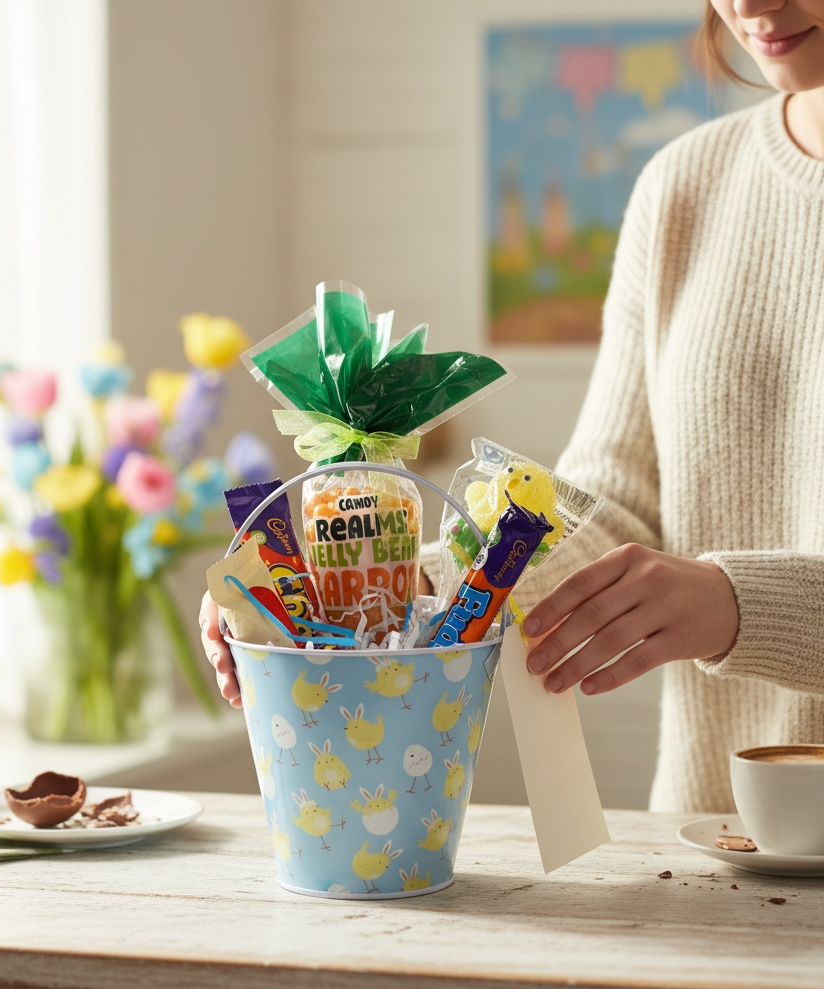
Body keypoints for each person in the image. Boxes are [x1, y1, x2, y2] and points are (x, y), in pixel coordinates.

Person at [200, 0, 824, 815]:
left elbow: (709, 590)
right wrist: (371, 586)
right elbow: (608, 510)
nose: (750, 5)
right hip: (720, 840)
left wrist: (741, 606)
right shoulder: (685, 187)